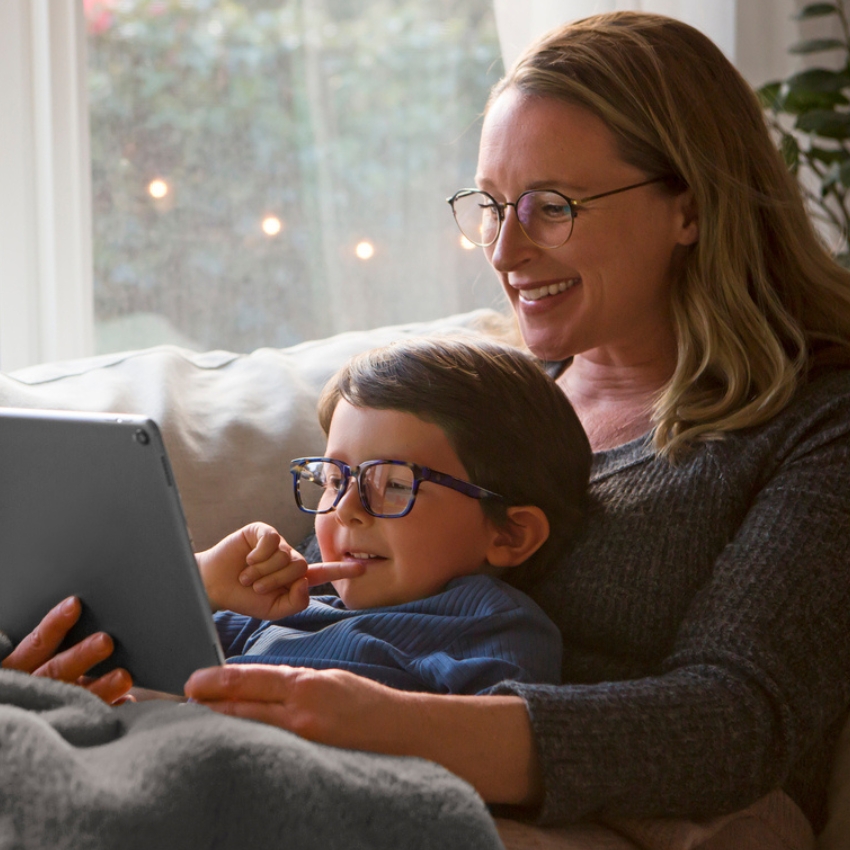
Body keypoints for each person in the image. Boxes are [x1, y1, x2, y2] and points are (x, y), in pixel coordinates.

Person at [10, 10, 850, 845]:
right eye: (492, 206)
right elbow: (319, 597)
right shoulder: (483, 392)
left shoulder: (817, 422)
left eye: (552, 207)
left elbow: (734, 721)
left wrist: (376, 723)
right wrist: (90, 648)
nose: (505, 251)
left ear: (690, 209)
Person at [196, 337, 590, 695]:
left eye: (395, 485)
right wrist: (203, 580)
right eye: (335, 480)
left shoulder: (491, 627)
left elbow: (493, 747)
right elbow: (145, 652)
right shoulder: (287, 609)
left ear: (509, 534)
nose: (346, 509)